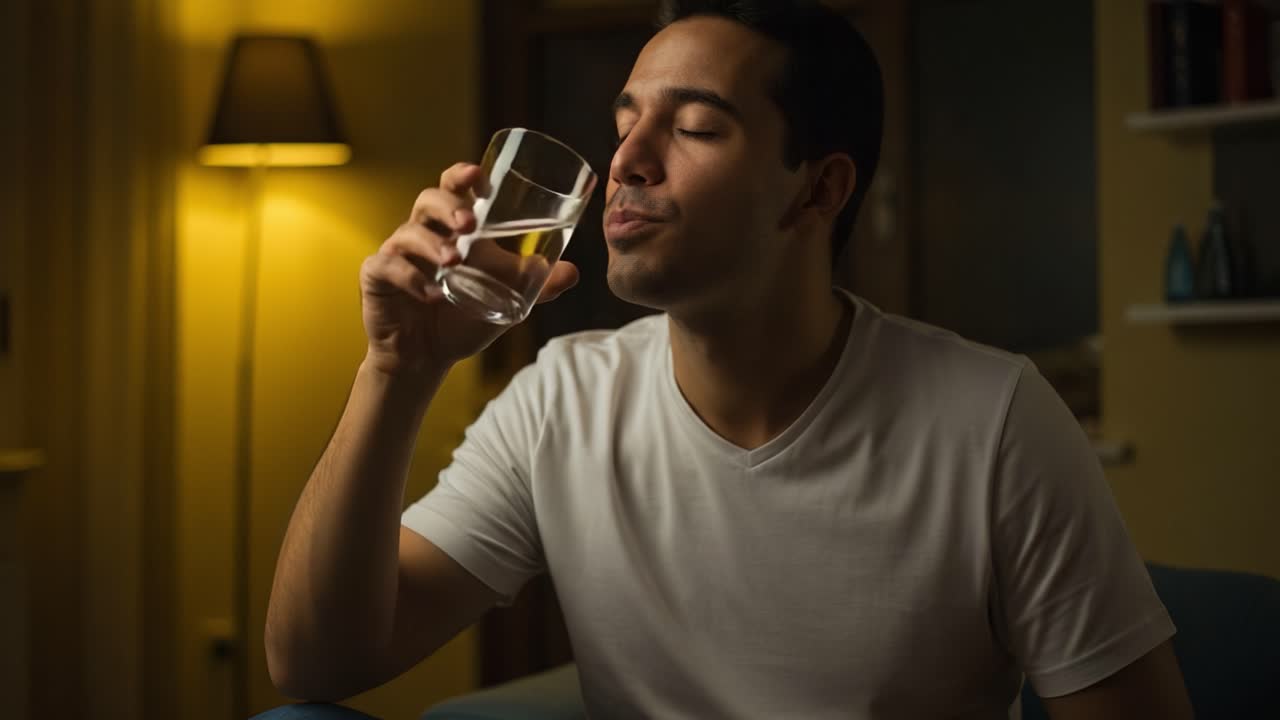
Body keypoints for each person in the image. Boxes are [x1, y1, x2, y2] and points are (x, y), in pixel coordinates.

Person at [264, 1, 1194, 717]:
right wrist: (396, 370)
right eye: (625, 120)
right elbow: (317, 666)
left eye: (696, 128)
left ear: (817, 189)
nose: (626, 159)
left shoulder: (993, 421)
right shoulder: (564, 402)